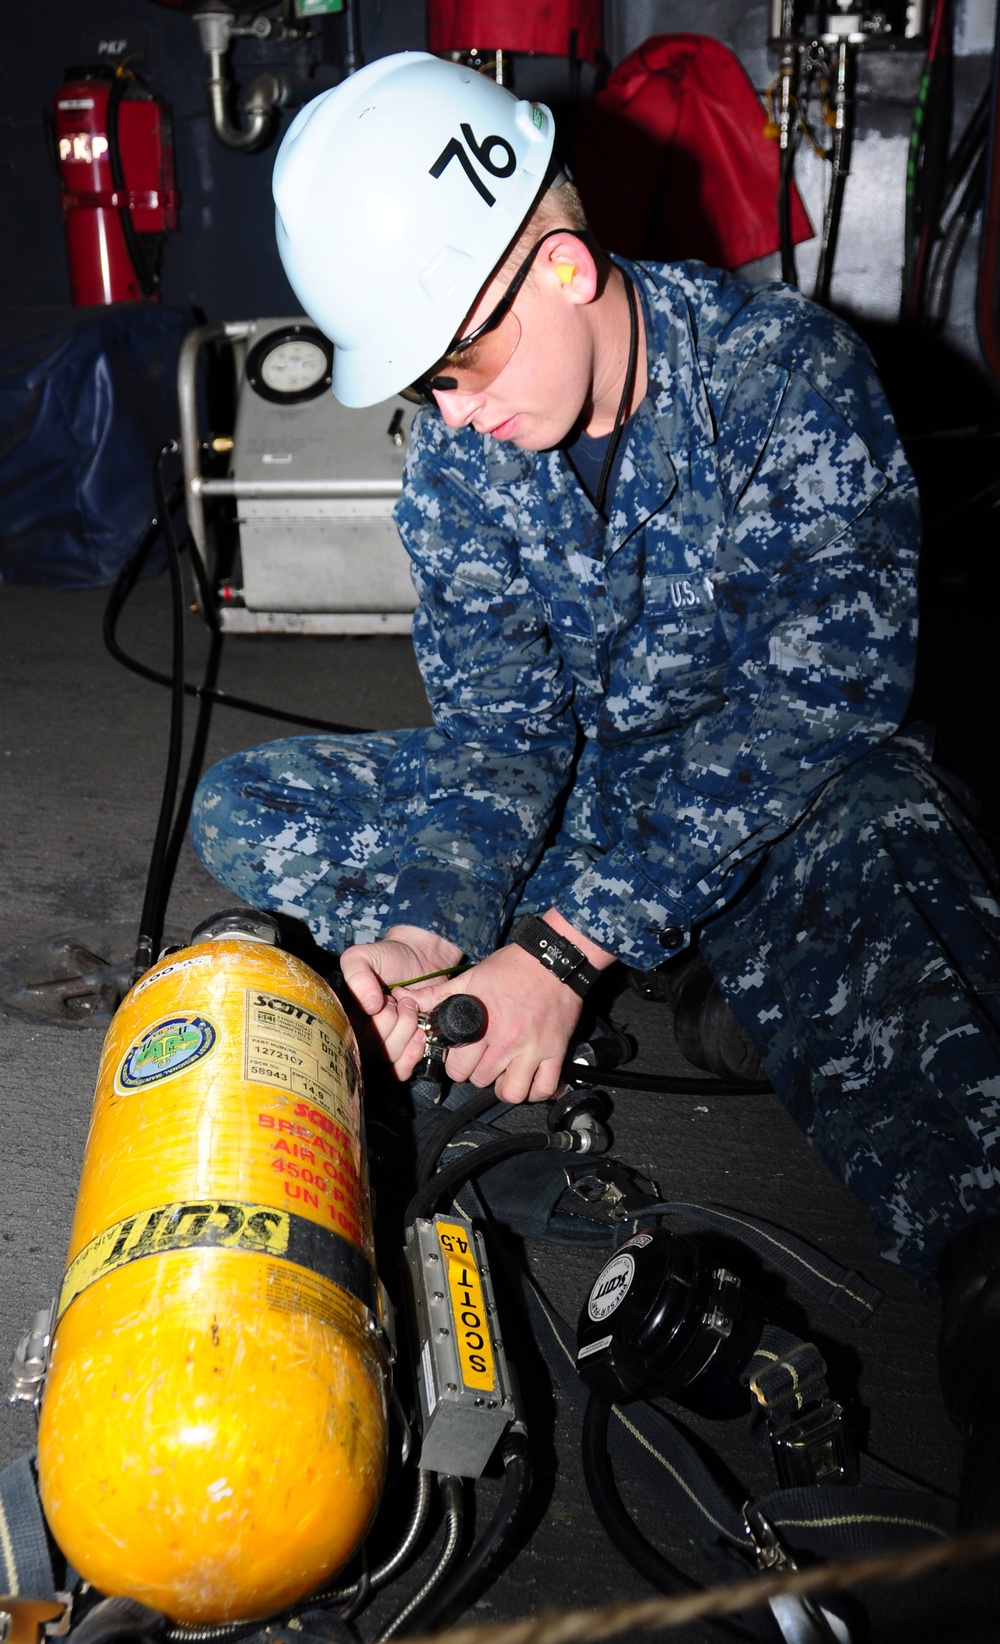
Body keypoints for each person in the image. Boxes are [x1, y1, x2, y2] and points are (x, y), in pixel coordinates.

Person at [190, 52, 1000, 1520]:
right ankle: (691, 979)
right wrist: (443, 928)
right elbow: (502, 736)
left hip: (774, 792)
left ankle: (979, 1259)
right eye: (426, 386)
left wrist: (565, 944)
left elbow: (824, 700)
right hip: (584, 808)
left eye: (458, 367)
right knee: (252, 807)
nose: (450, 416)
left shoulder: (784, 377)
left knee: (893, 838)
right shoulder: (463, 467)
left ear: (560, 269)